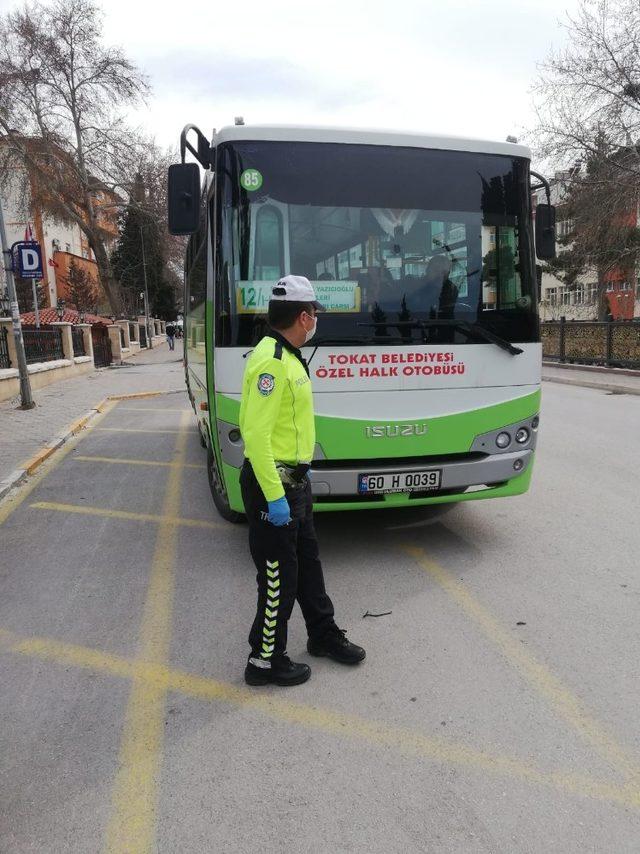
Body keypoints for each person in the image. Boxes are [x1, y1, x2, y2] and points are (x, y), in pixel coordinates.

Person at [239, 274, 366, 687]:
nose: (315, 321)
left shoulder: (288, 355)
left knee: (307, 566)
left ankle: (323, 635)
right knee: (279, 577)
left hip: (295, 484)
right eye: (313, 314)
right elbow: (255, 435)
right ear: (303, 315)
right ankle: (263, 661)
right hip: (272, 488)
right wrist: (274, 497)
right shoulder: (272, 362)